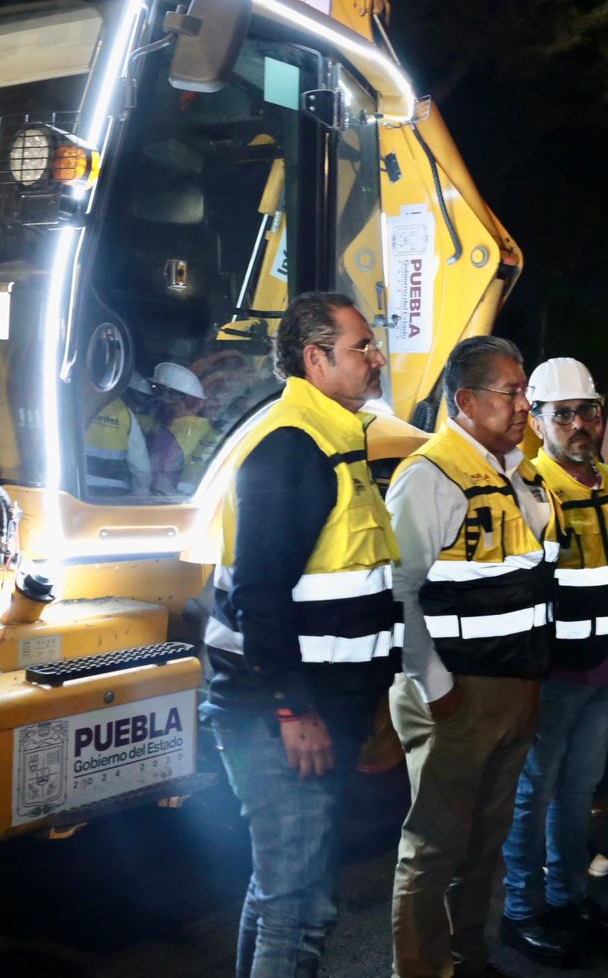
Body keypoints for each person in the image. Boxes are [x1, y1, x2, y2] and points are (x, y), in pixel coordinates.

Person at [199, 292, 400, 978]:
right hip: (277, 714)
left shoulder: (333, 438)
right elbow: (260, 596)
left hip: (314, 706)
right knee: (301, 908)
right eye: (362, 348)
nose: (376, 360)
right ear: (316, 358)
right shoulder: (292, 447)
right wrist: (294, 710)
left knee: (278, 892)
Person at [386, 336, 557, 978]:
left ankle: (470, 957)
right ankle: (421, 969)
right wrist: (438, 689)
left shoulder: (519, 472)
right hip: (456, 694)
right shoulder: (430, 476)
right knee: (434, 848)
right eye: (512, 393)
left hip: (514, 687)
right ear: (466, 400)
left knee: (484, 842)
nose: (524, 406)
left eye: (524, 392)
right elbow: (397, 592)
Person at [500, 358, 608, 967]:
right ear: (537, 420)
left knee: (578, 791)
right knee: (533, 796)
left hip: (607, 669)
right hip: (554, 676)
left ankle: (569, 899)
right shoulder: (528, 487)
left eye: (588, 411)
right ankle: (520, 912)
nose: (579, 424)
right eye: (563, 415)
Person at [147, 361, 218, 496]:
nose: (160, 401)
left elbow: (160, 475)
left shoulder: (170, 435)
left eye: (165, 397)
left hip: (167, 498)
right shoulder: (213, 432)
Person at [84, 371, 155, 496]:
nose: (139, 406)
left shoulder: (79, 406)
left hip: (78, 489)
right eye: (138, 397)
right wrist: (141, 493)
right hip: (113, 495)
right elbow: (141, 467)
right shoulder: (126, 415)